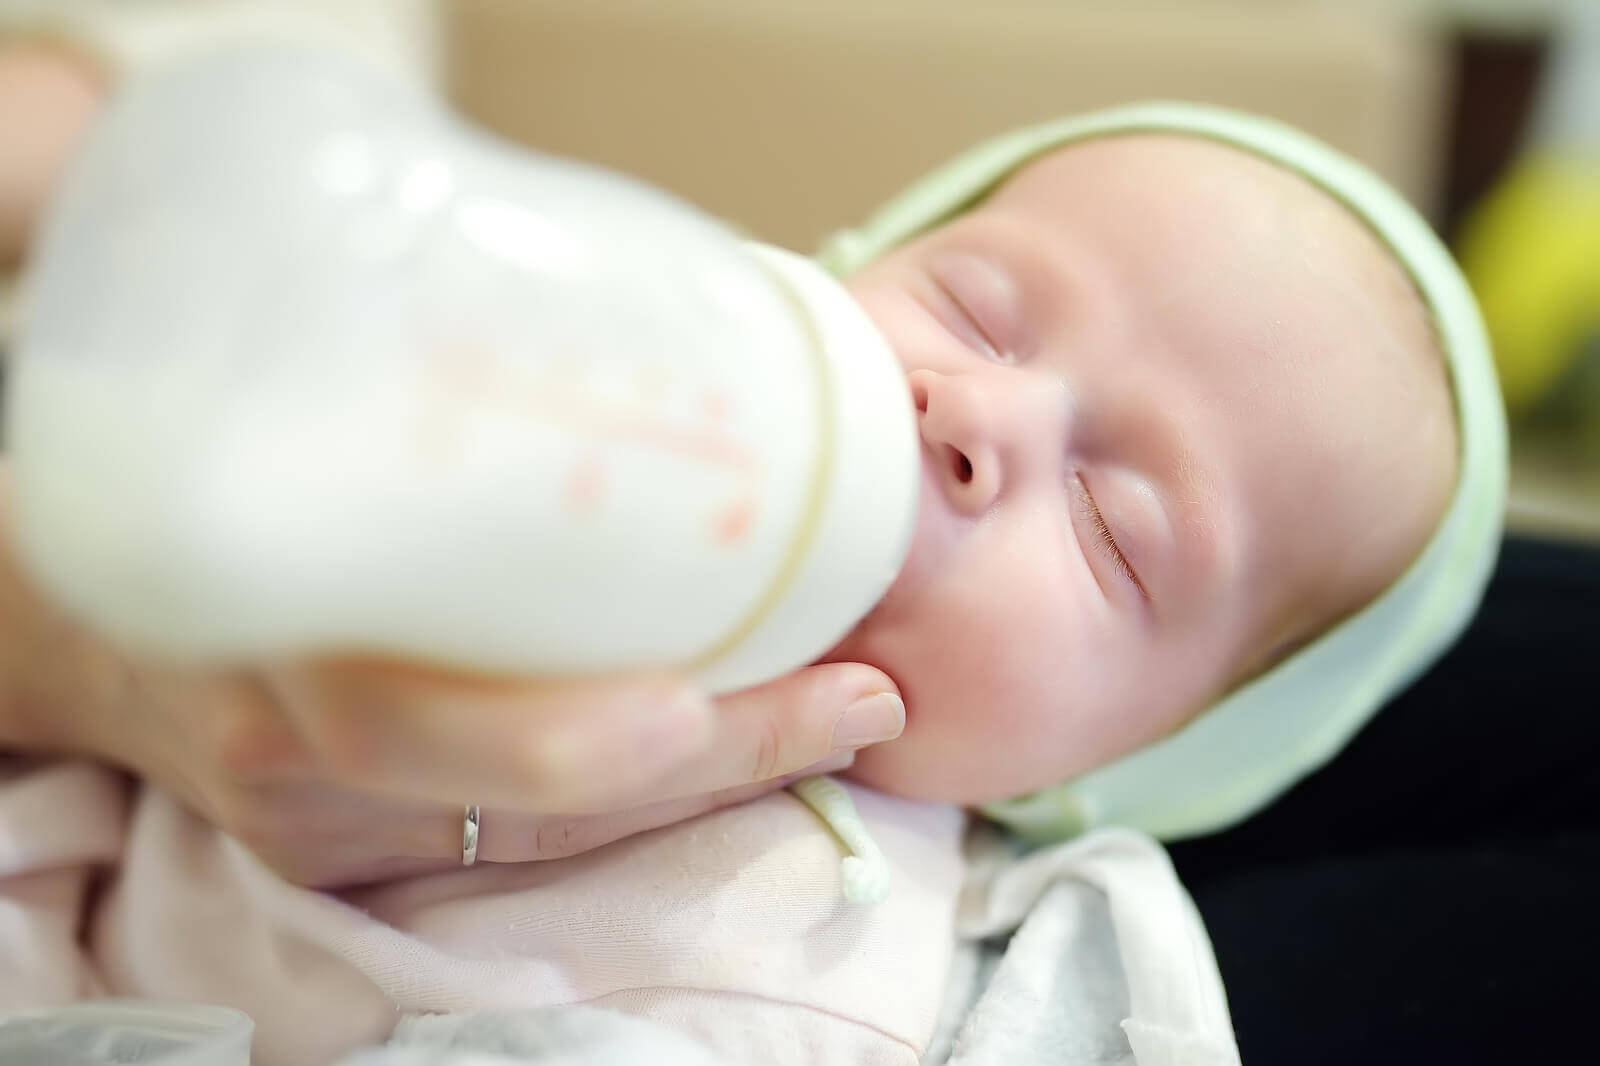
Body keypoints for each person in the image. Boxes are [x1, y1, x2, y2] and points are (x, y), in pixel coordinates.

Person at [0, 91, 1505, 1065]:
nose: (979, 419)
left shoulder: (809, 954)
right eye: (973, 309)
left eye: (1116, 528)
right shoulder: (543, 463)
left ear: (1127, 757)